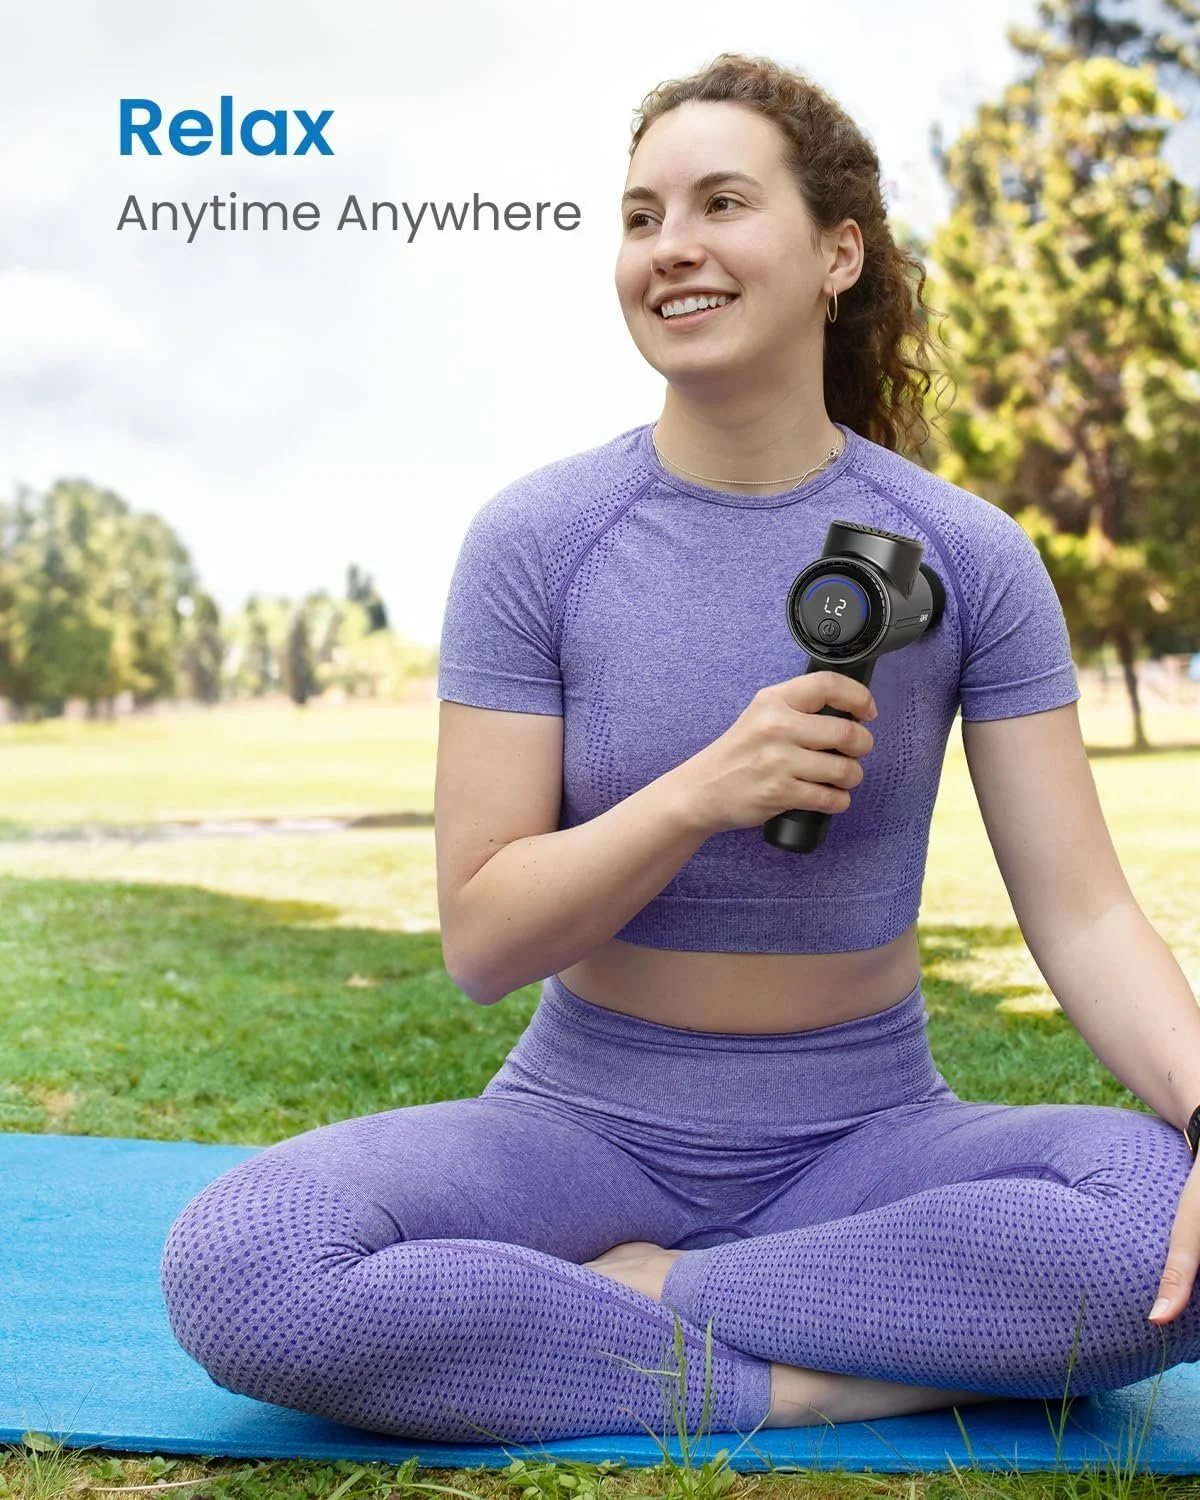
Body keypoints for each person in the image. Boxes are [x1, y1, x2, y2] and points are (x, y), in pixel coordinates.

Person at [159, 52, 1200, 1445]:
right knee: (250, 1269)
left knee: (1156, 1226)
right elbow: (483, 940)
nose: (671, 247)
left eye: (721, 203)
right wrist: (700, 794)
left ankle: (657, 1302)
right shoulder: (539, 541)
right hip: (577, 1131)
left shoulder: (969, 556)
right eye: (641, 216)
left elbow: (1084, 914)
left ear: (839, 254)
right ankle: (828, 1374)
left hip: (870, 1135)